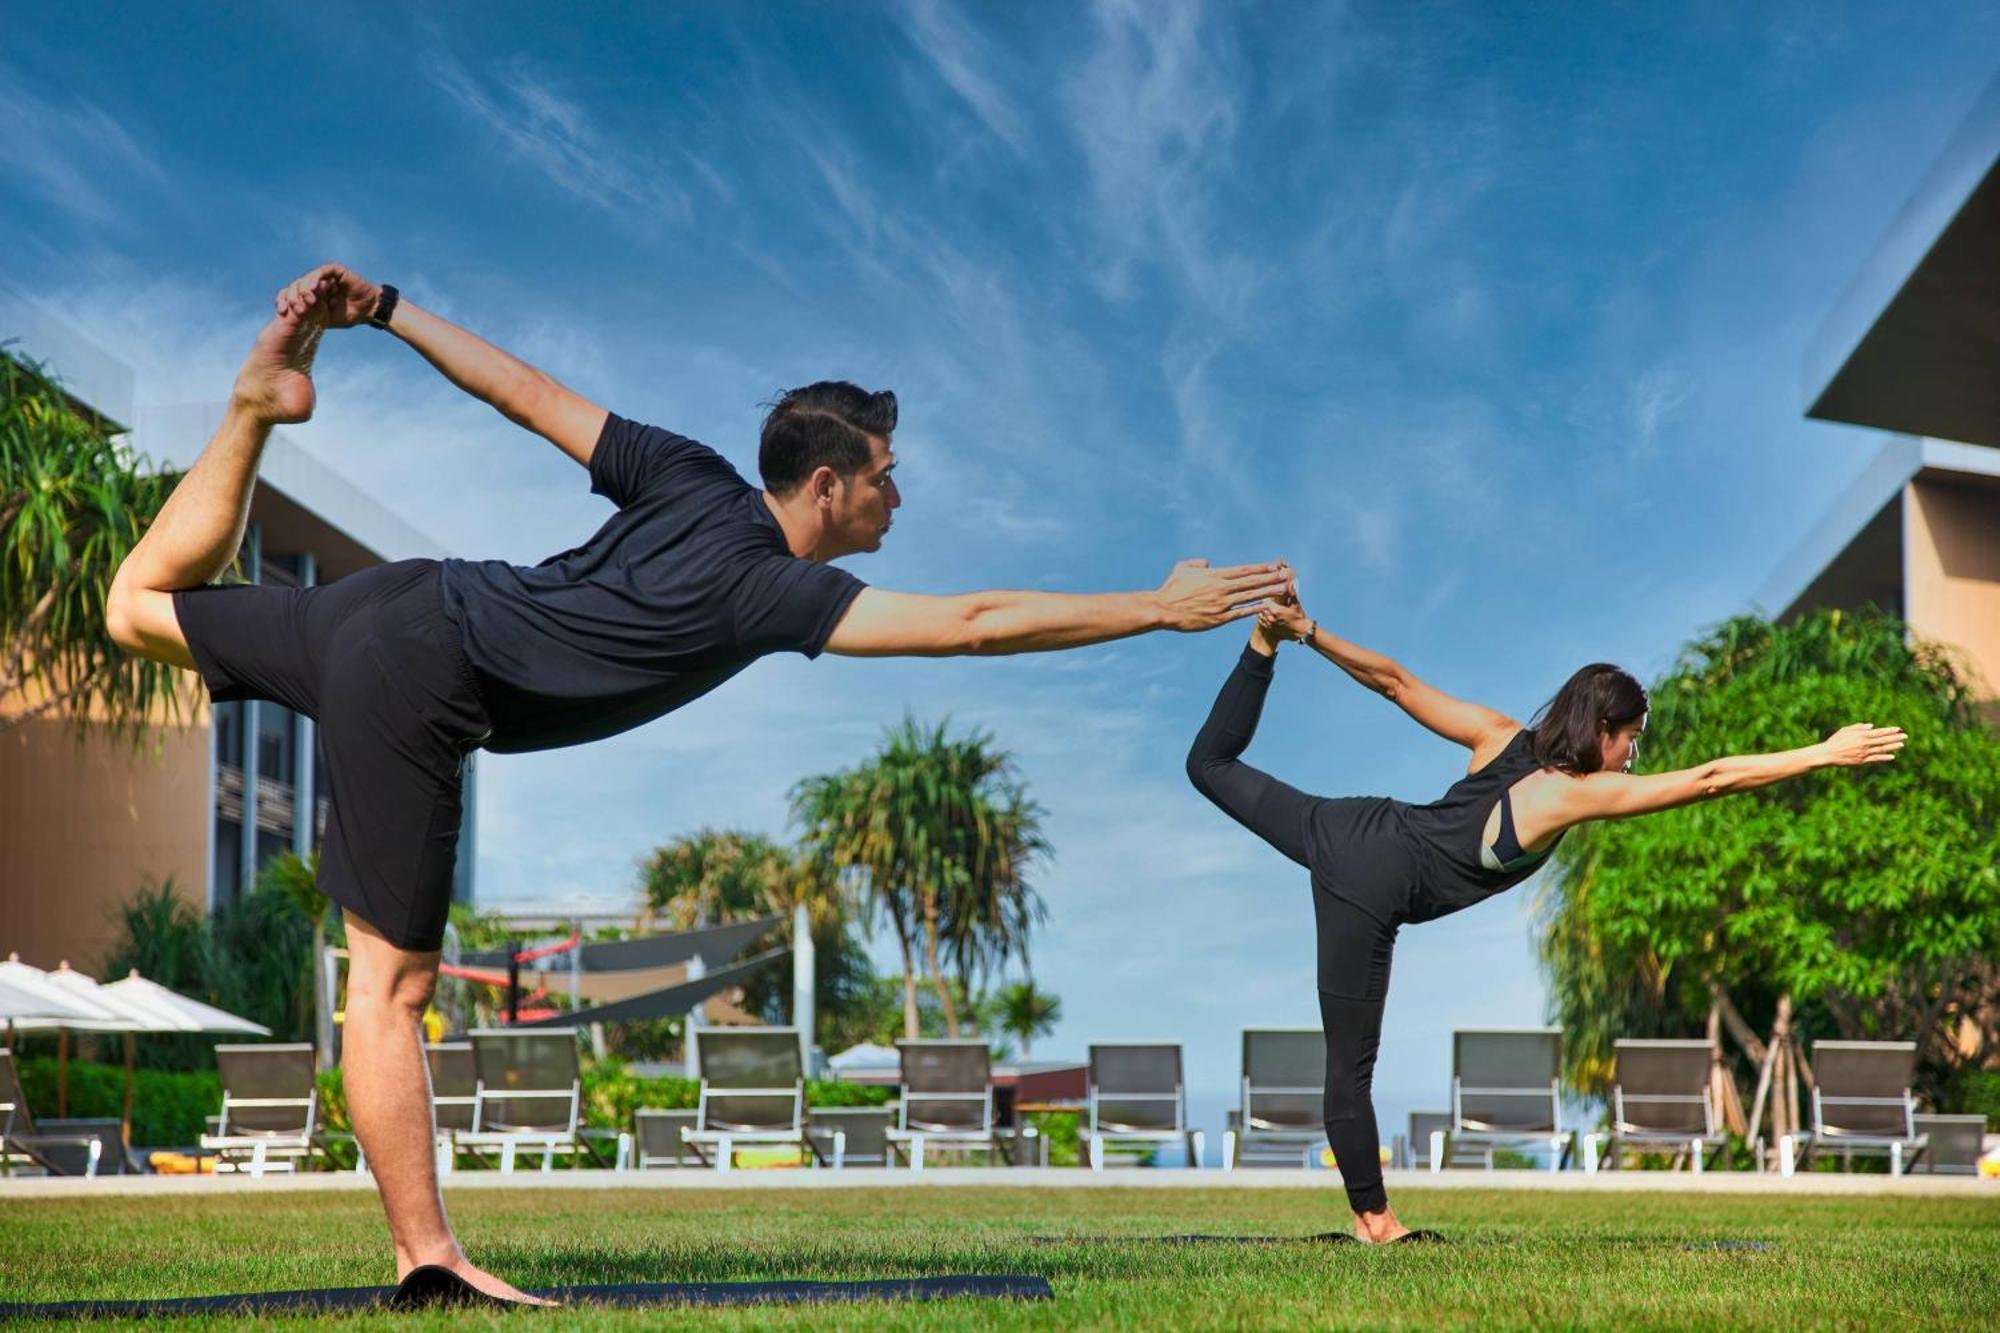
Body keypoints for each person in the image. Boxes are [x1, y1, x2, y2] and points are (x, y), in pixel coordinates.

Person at [105, 263, 1292, 1302]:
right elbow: (977, 623)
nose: (895, 496)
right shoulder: (768, 590)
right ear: (825, 484)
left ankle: (255, 409)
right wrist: (1153, 606)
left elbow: (525, 395)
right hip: (428, 668)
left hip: (398, 603)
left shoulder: (687, 475)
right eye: (884, 476)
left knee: (138, 608)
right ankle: (427, 1259)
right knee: (391, 986)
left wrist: (396, 311)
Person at [1184, 582, 1905, 1243]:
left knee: (1209, 765)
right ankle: (1376, 1222)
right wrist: (1821, 753)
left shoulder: (1499, 736)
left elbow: (1397, 684)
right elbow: (1711, 779)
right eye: (1633, 739)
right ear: (1602, 732)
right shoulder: (1567, 792)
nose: (1632, 755)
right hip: (1366, 884)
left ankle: (1259, 646)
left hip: (1348, 824)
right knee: (1352, 1065)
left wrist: (1305, 630)